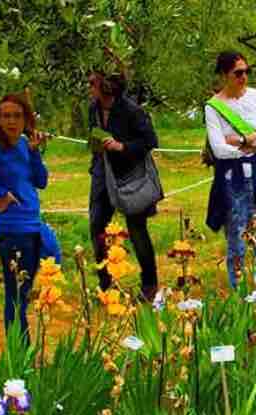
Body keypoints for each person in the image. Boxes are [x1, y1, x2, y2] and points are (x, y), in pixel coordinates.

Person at [0, 93, 48, 345]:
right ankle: (20, 353)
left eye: (17, 115)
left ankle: (20, 352)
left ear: (26, 119)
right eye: (6, 116)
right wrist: (1, 193)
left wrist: (35, 153)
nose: (12, 121)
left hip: (32, 227)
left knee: (22, 295)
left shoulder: (25, 144)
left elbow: (41, 181)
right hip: (12, 230)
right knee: (15, 295)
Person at [204, 51, 256, 288]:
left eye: (246, 71)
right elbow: (218, 148)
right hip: (232, 179)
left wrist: (238, 140)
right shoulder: (214, 107)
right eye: (238, 73)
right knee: (236, 239)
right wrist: (255, 138)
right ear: (225, 74)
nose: (244, 76)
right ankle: (237, 294)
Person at [88, 71, 161, 301]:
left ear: (106, 87)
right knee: (97, 226)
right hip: (103, 172)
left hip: (130, 176)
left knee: (137, 229)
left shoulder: (132, 110)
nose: (89, 87)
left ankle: (149, 284)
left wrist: (122, 147)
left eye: (93, 83)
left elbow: (150, 141)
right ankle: (105, 285)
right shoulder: (93, 108)